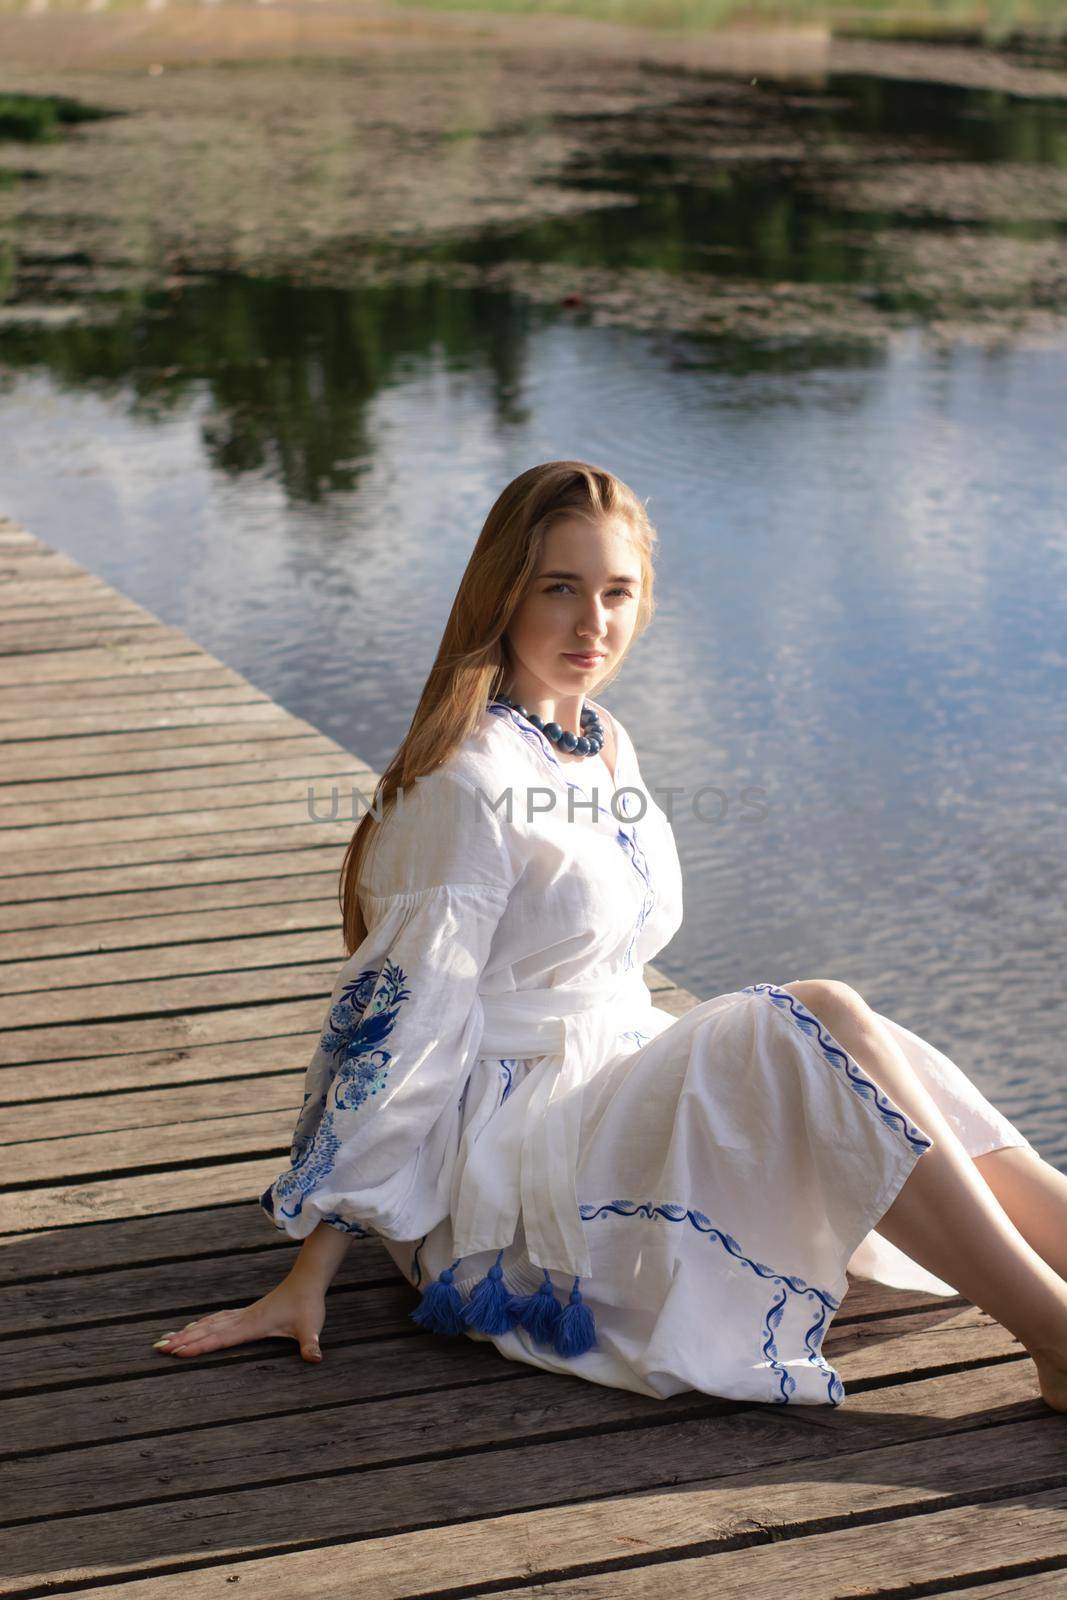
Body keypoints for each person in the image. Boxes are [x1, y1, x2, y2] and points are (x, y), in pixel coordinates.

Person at [152, 459, 1067, 1411]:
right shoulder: (461, 784)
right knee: (814, 1015)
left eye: (616, 592)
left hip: (608, 1088)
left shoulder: (598, 740)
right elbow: (401, 1026)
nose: (593, 624)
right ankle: (1055, 1338)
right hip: (512, 1165)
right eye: (559, 589)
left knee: (870, 1045)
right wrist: (312, 1268)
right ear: (502, 593)